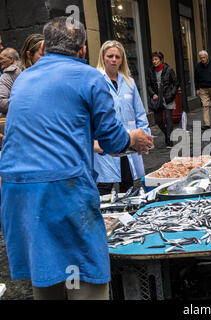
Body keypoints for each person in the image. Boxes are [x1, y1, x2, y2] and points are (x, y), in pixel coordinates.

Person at [0, 17, 153, 300]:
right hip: (62, 188)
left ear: (44, 46)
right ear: (83, 51)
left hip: (16, 192)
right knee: (85, 276)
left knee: (46, 274)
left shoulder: (23, 79)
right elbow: (112, 139)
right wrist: (133, 138)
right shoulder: (91, 78)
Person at [94, 40, 152, 196]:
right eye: (110, 56)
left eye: (117, 57)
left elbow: (139, 113)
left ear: (122, 60)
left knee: (128, 185)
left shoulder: (129, 82)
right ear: (103, 57)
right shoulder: (95, 81)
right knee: (104, 187)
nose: (114, 60)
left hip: (128, 140)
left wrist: (145, 136)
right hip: (105, 141)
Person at [147, 51, 179, 149]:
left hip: (167, 97)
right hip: (157, 98)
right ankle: (167, 134)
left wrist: (172, 94)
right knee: (158, 120)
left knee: (169, 119)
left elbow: (176, 83)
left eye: (156, 59)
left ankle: (169, 140)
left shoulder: (168, 70)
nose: (154, 61)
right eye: (153, 60)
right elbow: (148, 85)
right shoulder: (151, 71)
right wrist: (153, 94)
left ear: (161, 60)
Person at [0, 48, 22, 114]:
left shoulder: (6, 76)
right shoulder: (28, 69)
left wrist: (23, 105)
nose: (0, 61)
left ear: (11, 59)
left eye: (1, 59)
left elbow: (1, 102)